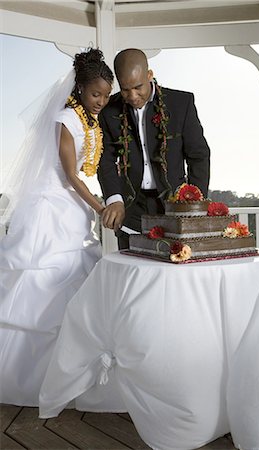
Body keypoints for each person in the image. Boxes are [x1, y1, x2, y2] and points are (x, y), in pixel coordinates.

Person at [0, 48, 113, 406]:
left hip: (72, 205)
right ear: (80, 88)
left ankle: (68, 373)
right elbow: (68, 174)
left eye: (106, 96)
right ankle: (24, 377)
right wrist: (99, 206)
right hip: (51, 206)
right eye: (96, 94)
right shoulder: (66, 117)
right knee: (39, 283)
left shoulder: (89, 120)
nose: (101, 101)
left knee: (71, 282)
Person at [98, 48, 210, 249]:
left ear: (149, 75)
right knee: (133, 270)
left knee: (174, 269)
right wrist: (114, 199)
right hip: (131, 207)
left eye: (138, 87)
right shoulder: (109, 112)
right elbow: (105, 159)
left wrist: (196, 204)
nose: (132, 96)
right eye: (125, 89)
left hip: (175, 203)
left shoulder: (181, 103)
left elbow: (198, 155)